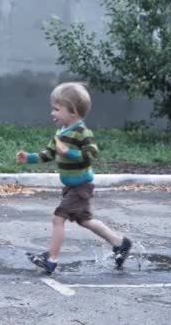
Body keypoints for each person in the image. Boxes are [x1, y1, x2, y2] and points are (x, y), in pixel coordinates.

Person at [16, 82, 131, 273]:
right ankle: (120, 243)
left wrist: (69, 152)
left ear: (73, 112)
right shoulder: (61, 133)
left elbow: (91, 154)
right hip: (71, 186)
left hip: (81, 186)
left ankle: (51, 259)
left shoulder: (82, 133)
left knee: (58, 218)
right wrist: (28, 158)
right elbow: (49, 154)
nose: (52, 113)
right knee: (84, 220)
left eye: (56, 109)